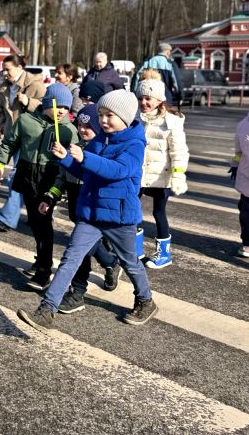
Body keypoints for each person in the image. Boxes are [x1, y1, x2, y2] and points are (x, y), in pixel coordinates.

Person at [18, 90, 158, 331]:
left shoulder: (135, 144)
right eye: (101, 115)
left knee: (130, 262)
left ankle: (145, 300)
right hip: (90, 213)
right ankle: (47, 309)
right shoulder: (99, 139)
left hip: (119, 216)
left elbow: (117, 171)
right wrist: (66, 159)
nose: (103, 120)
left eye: (109, 115)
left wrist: (84, 157)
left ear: (124, 117)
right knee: (70, 259)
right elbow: (86, 172)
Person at [37, 104, 122, 314]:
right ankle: (110, 262)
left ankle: (78, 291)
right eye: (80, 125)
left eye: (88, 126)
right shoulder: (74, 146)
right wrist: (50, 197)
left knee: (79, 250)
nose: (83, 130)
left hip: (95, 208)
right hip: (77, 207)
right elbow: (62, 177)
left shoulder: (102, 151)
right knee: (87, 246)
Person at [0, 83, 79, 288]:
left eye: (66, 108)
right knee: (33, 221)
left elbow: (76, 158)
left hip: (50, 178)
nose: (62, 112)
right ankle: (41, 260)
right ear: (47, 103)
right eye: (59, 106)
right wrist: (0, 163)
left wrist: (65, 157)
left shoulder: (68, 130)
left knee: (43, 223)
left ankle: (44, 270)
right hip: (26, 173)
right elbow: (9, 143)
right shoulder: (26, 120)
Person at [137, 79, 189, 268]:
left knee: (158, 212)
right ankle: (136, 252)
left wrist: (178, 174)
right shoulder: (136, 119)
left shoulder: (172, 122)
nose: (143, 102)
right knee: (134, 211)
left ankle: (164, 254)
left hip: (161, 175)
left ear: (159, 99)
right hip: (139, 174)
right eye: (140, 98)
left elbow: (179, 151)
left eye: (148, 98)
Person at [0, 54, 47, 233]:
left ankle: (7, 218)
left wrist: (29, 102)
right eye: (4, 69)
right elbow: (3, 109)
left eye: (8, 69)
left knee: (18, 177)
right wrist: (2, 126)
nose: (4, 72)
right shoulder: (4, 87)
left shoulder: (35, 85)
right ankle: (36, 214)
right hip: (13, 136)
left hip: (31, 139)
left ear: (19, 67)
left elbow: (49, 109)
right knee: (22, 179)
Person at [231, 90, 249, 258]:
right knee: (247, 214)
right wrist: (235, 165)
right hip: (248, 178)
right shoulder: (244, 125)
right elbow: (238, 151)